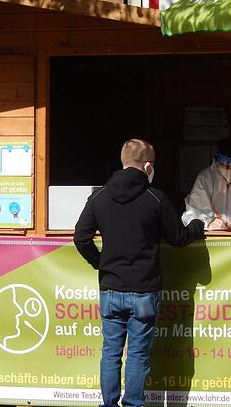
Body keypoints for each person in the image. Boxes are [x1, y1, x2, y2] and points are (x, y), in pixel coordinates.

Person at [74, 138, 204, 407]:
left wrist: (100, 263)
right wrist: (198, 225)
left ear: (123, 162)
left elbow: (80, 237)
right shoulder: (155, 197)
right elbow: (178, 238)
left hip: (110, 288)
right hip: (144, 290)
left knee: (110, 352)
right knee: (137, 354)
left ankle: (108, 404)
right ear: (147, 165)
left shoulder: (99, 197)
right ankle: (133, 404)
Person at [182, 137, 231, 232]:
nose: (230, 171)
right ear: (217, 161)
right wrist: (209, 223)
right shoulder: (206, 178)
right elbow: (192, 214)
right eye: (226, 166)